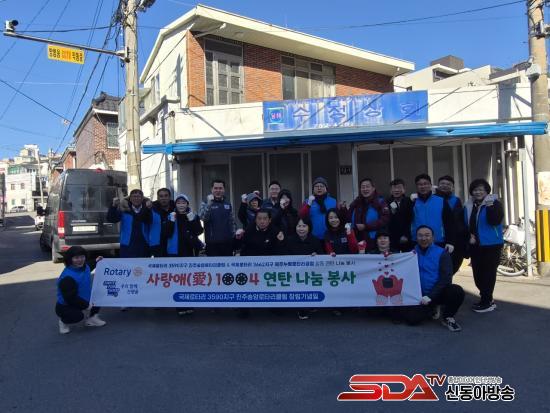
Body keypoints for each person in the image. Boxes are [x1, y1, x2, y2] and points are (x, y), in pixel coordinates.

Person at [400, 226, 465, 332]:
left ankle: (448, 316)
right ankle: (431, 308)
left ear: (433, 237)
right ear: (416, 237)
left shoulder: (442, 253)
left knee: (456, 291)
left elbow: (446, 278)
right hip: (420, 296)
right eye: (420, 235)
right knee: (411, 319)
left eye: (427, 235)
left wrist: (430, 296)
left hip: (437, 293)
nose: (423, 238)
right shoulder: (410, 254)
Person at [464, 179, 504, 313]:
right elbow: (466, 223)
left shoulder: (494, 203)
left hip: (491, 245)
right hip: (475, 245)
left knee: (488, 274)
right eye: (475, 190)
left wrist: (490, 206)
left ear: (487, 191)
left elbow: (495, 221)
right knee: (478, 275)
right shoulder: (469, 205)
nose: (478, 192)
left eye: (481, 190)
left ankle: (487, 301)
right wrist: (469, 236)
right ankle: (486, 298)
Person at [237, 209, 285, 318]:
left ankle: (275, 307)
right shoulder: (248, 230)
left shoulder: (275, 231)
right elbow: (238, 246)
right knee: (245, 283)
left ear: (269, 220)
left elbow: (280, 252)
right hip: (250, 265)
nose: (262, 221)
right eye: (259, 219)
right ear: (255, 220)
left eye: (265, 219)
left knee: (274, 282)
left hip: (269, 266)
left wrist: (281, 241)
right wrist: (237, 238)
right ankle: (244, 309)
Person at [167, 194, 204, 316]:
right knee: (178, 279)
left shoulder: (193, 215)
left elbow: (199, 231)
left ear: (187, 204)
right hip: (175, 251)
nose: (181, 205)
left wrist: (192, 219)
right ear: (175, 204)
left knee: (189, 279)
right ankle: (180, 306)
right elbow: (166, 233)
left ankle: (189, 304)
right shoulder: (171, 215)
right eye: (179, 203)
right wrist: (171, 221)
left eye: (183, 202)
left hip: (190, 250)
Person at [55, 246, 106, 334]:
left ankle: (92, 318)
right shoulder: (67, 277)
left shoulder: (85, 267)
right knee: (78, 316)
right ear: (70, 259)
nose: (80, 260)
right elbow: (70, 299)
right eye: (76, 258)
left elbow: (90, 265)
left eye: (82, 257)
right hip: (66, 305)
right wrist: (86, 305)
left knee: (100, 293)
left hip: (82, 298)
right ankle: (63, 322)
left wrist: (97, 260)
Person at [285, 217, 324, 320]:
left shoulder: (315, 240)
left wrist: (317, 255)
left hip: (311, 273)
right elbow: (285, 257)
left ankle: (310, 304)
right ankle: (301, 308)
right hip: (294, 273)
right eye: (299, 226)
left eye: (304, 226)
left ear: (309, 227)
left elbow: (322, 255)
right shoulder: (289, 240)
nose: (301, 229)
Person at [411, 174, 455, 253]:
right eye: (420, 184)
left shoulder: (441, 201)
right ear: (416, 187)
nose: (423, 186)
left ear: (431, 185)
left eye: (425, 184)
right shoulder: (412, 202)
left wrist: (450, 241)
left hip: (438, 241)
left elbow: (449, 222)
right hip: (417, 242)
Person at [107, 188, 152, 258]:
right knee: (127, 265)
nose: (136, 198)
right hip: (127, 245)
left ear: (142, 198)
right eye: (134, 196)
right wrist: (113, 206)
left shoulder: (148, 209)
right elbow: (112, 219)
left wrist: (147, 207)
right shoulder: (123, 210)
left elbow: (150, 220)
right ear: (130, 199)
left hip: (144, 245)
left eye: (138, 196)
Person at [348, 178, 389, 251]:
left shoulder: (380, 202)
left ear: (373, 188)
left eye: (367, 186)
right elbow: (348, 216)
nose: (365, 189)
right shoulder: (357, 202)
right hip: (358, 239)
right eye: (363, 187)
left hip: (374, 239)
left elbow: (385, 219)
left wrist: (366, 226)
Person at [436, 176, 466, 274]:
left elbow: (457, 221)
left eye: (448, 184)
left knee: (451, 268)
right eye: (442, 183)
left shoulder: (456, 200)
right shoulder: (432, 198)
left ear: (452, 187)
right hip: (436, 239)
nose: (445, 186)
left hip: (452, 240)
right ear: (438, 185)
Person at [199, 179, 236, 257]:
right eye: (215, 188)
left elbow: (232, 222)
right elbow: (203, 218)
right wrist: (209, 205)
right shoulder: (205, 203)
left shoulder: (228, 204)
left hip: (227, 243)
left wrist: (234, 236)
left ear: (224, 190)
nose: (218, 190)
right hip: (212, 244)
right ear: (211, 189)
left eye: (220, 188)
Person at [386, 178, 413, 252]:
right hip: (392, 238)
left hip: (406, 237)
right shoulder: (386, 202)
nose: (396, 190)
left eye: (399, 187)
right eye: (394, 188)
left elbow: (411, 220)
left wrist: (406, 235)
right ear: (390, 190)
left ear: (404, 189)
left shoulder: (409, 201)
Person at [149, 188, 176, 257]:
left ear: (170, 197)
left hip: (174, 245)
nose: (163, 198)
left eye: (166, 196)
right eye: (161, 196)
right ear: (157, 198)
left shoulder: (176, 208)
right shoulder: (151, 209)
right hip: (157, 246)